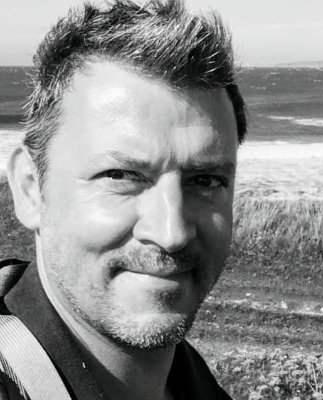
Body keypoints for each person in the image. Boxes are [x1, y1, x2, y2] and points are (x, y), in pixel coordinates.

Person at [3, 0, 246, 399]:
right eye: (121, 176)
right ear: (30, 188)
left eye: (205, 180)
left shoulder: (193, 382)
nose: (171, 233)